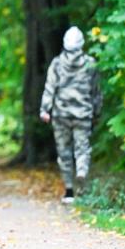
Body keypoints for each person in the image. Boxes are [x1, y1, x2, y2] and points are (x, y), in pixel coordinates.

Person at [39, 26, 102, 204]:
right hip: (83, 113)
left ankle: (69, 191)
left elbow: (50, 88)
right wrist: (96, 112)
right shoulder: (90, 63)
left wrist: (45, 110)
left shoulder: (57, 64)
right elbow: (96, 92)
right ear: (82, 44)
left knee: (64, 152)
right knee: (82, 149)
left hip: (61, 114)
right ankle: (81, 175)